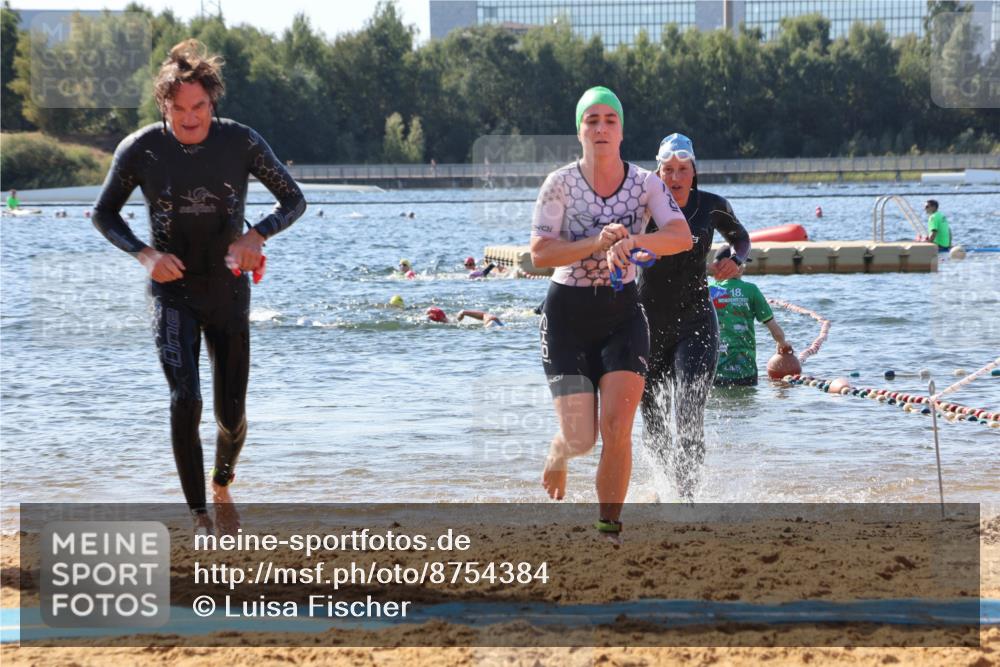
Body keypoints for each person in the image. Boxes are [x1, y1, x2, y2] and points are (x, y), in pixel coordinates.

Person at [92, 39, 306, 535]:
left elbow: (293, 200)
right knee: (185, 397)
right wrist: (145, 254)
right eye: (179, 108)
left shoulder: (241, 142)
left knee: (232, 416)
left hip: (228, 289)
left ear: (213, 102)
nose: (190, 118)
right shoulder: (141, 148)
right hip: (173, 291)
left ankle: (222, 480)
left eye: (200, 107)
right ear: (163, 105)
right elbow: (103, 214)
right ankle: (197, 514)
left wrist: (257, 236)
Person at [531, 87, 691, 540]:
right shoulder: (559, 184)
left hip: (622, 314)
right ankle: (561, 450)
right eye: (592, 120)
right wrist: (598, 241)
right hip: (567, 316)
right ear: (579, 130)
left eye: (610, 121)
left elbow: (680, 237)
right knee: (583, 439)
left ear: (621, 131)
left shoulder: (645, 184)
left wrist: (636, 242)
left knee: (618, 427)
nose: (601, 128)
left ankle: (609, 530)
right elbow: (540, 253)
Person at [638, 133, 751, 500]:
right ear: (658, 171)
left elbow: (741, 238)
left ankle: (685, 496)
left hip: (696, 322)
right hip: (646, 325)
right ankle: (662, 485)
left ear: (693, 171)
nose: (675, 177)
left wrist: (736, 260)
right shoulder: (643, 205)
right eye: (668, 170)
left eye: (682, 170)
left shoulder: (711, 206)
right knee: (653, 417)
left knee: (688, 411)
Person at [709, 246, 792, 386]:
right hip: (746, 371)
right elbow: (773, 327)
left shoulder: (709, 292)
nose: (744, 267)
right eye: (741, 262)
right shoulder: (751, 290)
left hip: (715, 373)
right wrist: (782, 343)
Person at [426, 307, 503, 327]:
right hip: (491, 319)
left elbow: (463, 312)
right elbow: (463, 312)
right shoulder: (485, 315)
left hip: (490, 322)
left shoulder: (451, 322)